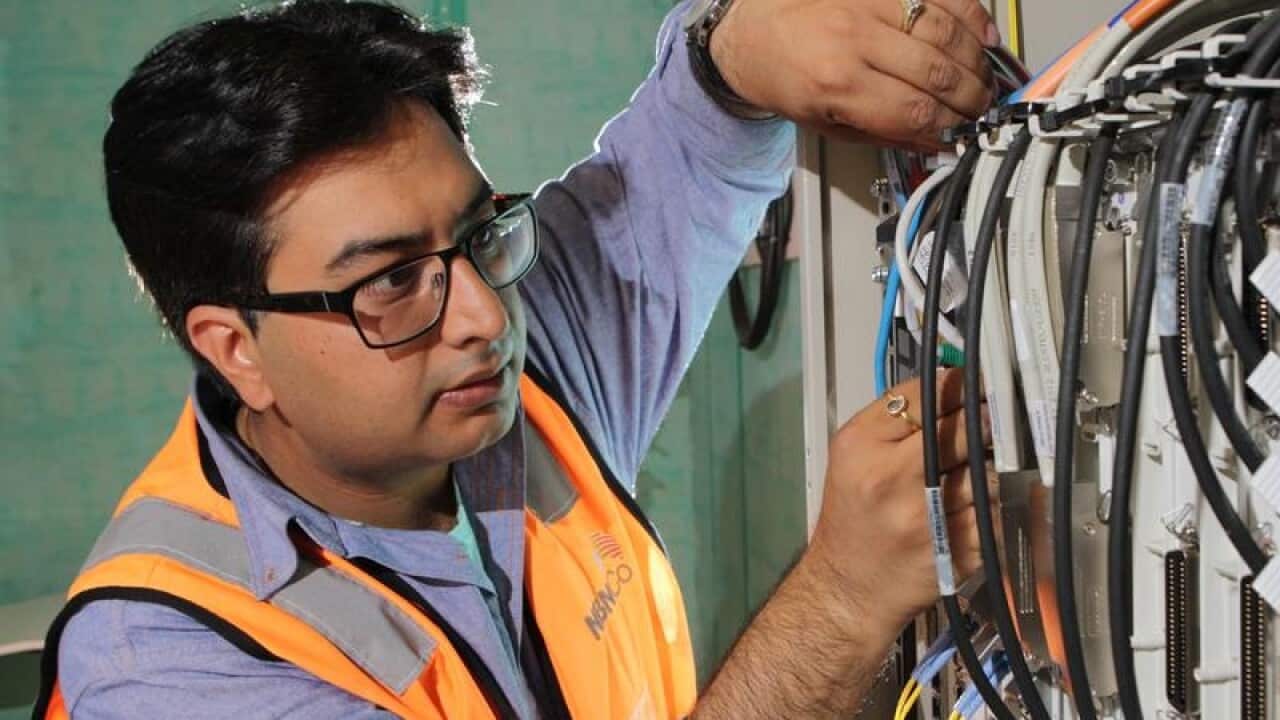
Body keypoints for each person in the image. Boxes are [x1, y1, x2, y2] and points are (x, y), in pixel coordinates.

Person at [38, 0, 999, 717]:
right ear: (234, 349)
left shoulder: (509, 372)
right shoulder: (166, 663)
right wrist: (840, 602)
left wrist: (741, 42)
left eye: (479, 232)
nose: (483, 318)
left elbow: (689, 148)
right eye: (389, 281)